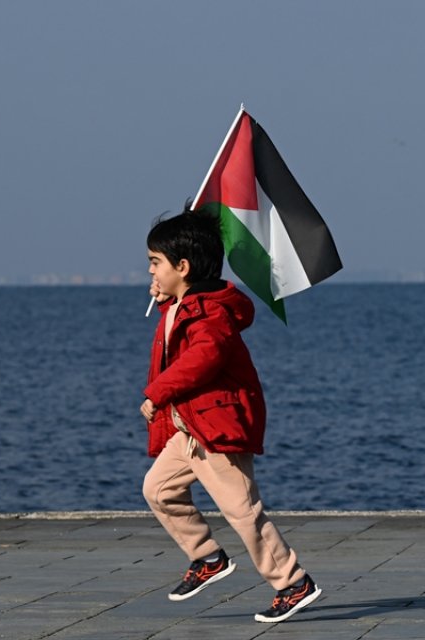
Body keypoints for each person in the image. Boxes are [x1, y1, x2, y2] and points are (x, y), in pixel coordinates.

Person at [139, 208, 321, 623]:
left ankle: (292, 583)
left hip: (216, 427)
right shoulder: (183, 307)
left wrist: (157, 393)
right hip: (190, 428)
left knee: (243, 511)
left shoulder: (209, 313)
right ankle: (207, 557)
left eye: (155, 262)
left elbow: (205, 357)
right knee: (159, 489)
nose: (149, 271)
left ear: (182, 267)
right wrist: (169, 300)